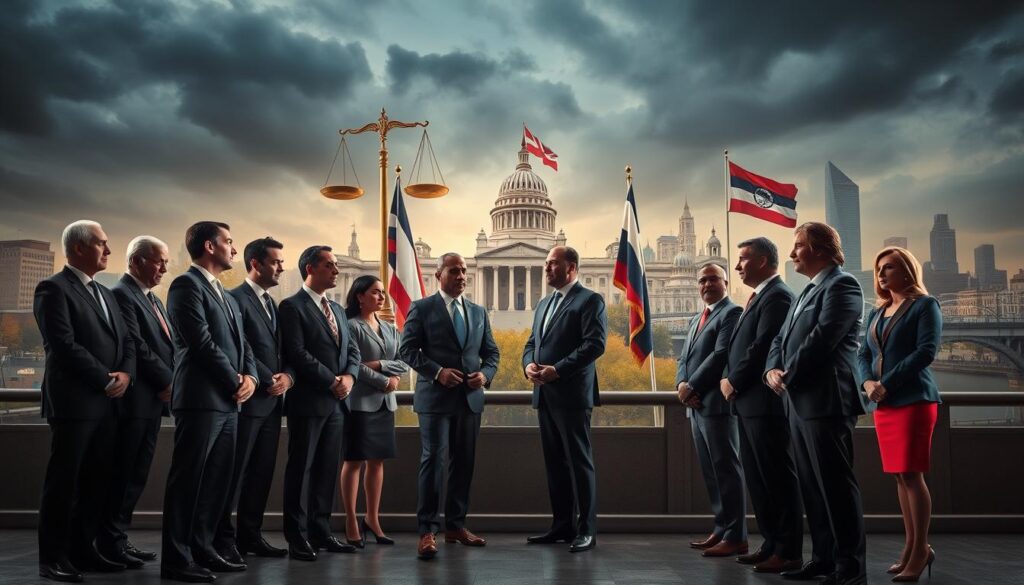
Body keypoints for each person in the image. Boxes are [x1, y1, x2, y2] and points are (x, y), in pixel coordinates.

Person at [765, 222, 868, 585]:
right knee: (812, 487)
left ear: (821, 249)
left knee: (836, 487)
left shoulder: (843, 285)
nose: (792, 253)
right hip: (799, 402)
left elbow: (823, 339)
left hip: (827, 401)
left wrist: (788, 374)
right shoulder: (806, 291)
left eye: (798, 246)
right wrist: (771, 369)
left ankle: (850, 569)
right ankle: (823, 560)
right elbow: (780, 339)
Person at [34, 220, 135, 582]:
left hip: (107, 404)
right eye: (101, 244)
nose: (108, 250)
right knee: (64, 483)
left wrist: (126, 374)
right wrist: (106, 379)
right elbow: (63, 345)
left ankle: (82, 550)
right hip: (75, 404)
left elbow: (126, 341)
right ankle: (52, 558)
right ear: (78, 248)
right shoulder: (53, 288)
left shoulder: (106, 292)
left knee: (96, 482)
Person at [161, 221, 258, 583]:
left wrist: (251, 378)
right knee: (188, 482)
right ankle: (176, 560)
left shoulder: (226, 294)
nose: (234, 248)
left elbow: (244, 345)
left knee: (217, 483)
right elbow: (200, 342)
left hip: (229, 403)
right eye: (228, 241)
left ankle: (203, 550)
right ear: (209, 246)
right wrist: (235, 380)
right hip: (201, 400)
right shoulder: (185, 285)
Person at [399, 252, 499, 561]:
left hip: (469, 400)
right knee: (434, 462)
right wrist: (437, 372)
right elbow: (407, 350)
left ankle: (456, 526)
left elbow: (491, 353)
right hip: (435, 399)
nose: (461, 276)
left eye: (464, 270)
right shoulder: (422, 308)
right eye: (454, 270)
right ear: (439, 275)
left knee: (464, 464)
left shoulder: (478, 311)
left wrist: (486, 375)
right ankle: (427, 531)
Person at [857, 247, 941, 582]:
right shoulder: (877, 312)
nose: (881, 274)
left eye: (889, 267)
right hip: (884, 403)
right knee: (899, 476)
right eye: (879, 268)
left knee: (912, 474)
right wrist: (867, 383)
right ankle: (911, 547)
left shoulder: (925, 305)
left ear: (907, 270)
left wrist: (885, 384)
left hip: (913, 399)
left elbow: (925, 352)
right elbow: (862, 353)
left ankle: (920, 550)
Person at [720, 238, 802, 573]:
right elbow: (740, 347)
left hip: (765, 403)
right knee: (758, 480)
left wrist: (733, 380)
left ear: (763, 261)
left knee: (777, 479)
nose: (737, 266)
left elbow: (763, 346)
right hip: (749, 404)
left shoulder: (778, 296)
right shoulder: (759, 296)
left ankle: (788, 551)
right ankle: (770, 545)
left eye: (743, 259)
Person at [522, 246, 607, 553]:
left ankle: (587, 530)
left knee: (579, 464)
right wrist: (528, 365)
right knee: (555, 464)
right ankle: (562, 526)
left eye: (553, 263)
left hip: (571, 395)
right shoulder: (544, 303)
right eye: (546, 263)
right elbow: (532, 343)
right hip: (544, 394)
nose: (546, 268)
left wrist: (557, 370)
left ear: (571, 267)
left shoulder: (590, 300)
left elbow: (595, 345)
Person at [278, 245, 361, 561]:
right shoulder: (291, 306)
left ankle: (321, 531)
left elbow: (351, 350)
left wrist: (349, 378)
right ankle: (297, 536)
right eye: (330, 265)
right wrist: (332, 381)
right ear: (310, 268)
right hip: (309, 402)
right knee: (301, 470)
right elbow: (297, 353)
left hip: (337, 404)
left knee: (327, 470)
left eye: (337, 265)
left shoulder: (337, 309)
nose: (336, 270)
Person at [98, 236, 174, 569]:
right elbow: (137, 345)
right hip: (134, 403)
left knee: (136, 475)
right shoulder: (121, 294)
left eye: (166, 262)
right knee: (122, 475)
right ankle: (109, 542)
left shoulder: (153, 299)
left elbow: (169, 346)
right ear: (135, 261)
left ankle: (119, 538)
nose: (164, 268)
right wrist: (168, 381)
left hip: (152, 402)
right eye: (159, 261)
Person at [215, 237, 293, 559]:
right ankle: (222, 540)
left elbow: (284, 351)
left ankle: (250, 537)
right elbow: (240, 348)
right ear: (256, 264)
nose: (281, 267)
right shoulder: (234, 299)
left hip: (273, 404)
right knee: (233, 475)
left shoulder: (273, 304)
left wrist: (288, 377)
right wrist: (268, 377)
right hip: (247, 402)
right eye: (276, 262)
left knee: (261, 474)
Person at [676, 263, 745, 558]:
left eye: (713, 279)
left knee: (727, 471)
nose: (706, 284)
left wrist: (692, 387)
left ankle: (736, 536)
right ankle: (721, 527)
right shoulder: (697, 317)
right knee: (711, 473)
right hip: (697, 407)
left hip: (717, 406)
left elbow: (721, 355)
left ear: (725, 282)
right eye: (702, 280)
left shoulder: (732, 313)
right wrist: (681, 383)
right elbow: (684, 358)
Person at [340, 275, 407, 547]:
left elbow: (403, 362)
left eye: (382, 292)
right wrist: (384, 380)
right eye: (375, 292)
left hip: (384, 404)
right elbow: (352, 365)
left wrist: (380, 365)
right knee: (354, 461)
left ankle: (372, 518)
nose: (381, 297)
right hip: (360, 403)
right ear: (360, 296)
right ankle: (350, 520)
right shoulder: (351, 326)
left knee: (377, 462)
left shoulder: (389, 328)